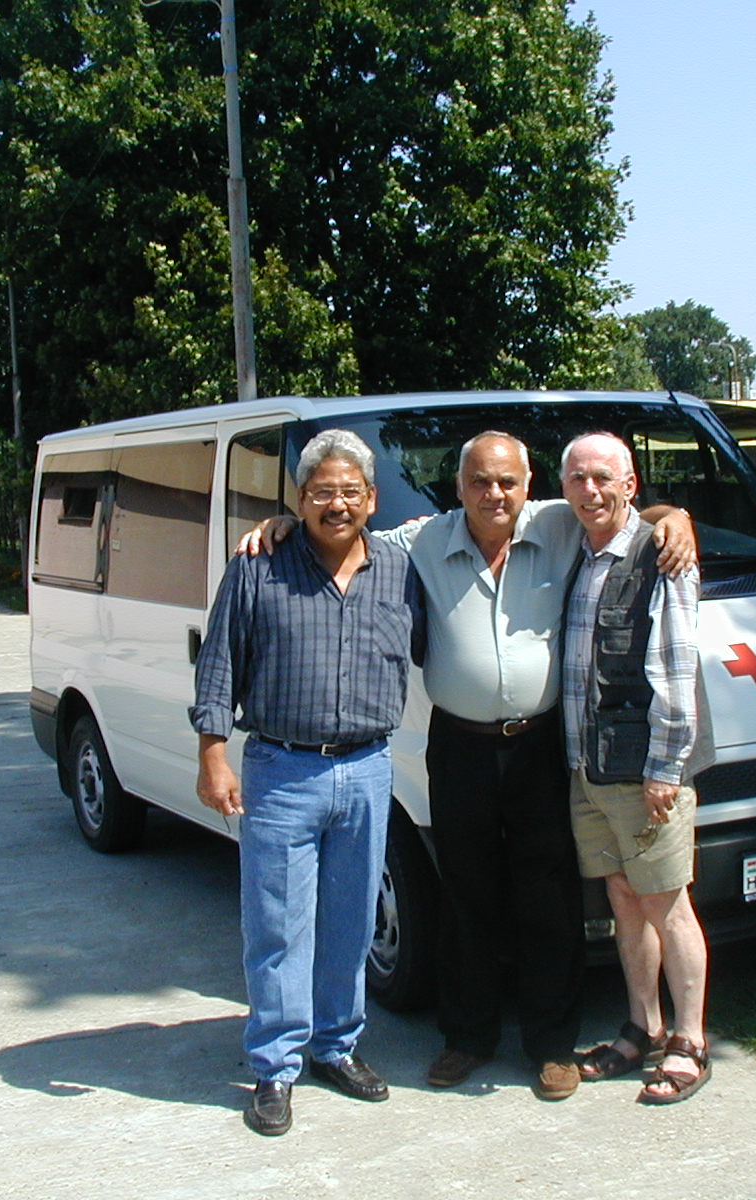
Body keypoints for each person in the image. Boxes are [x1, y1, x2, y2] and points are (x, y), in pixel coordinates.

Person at [239, 431, 695, 1102]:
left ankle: (549, 1045)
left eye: (507, 482)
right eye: (480, 481)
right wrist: (286, 521)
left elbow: (624, 512)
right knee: (465, 895)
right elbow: (340, 529)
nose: (494, 495)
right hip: (459, 747)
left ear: (529, 484)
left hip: (540, 747)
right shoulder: (422, 540)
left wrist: (673, 517)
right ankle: (467, 1038)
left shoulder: (561, 520)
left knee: (549, 899)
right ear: (459, 488)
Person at [189, 429, 425, 1137]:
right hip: (283, 769)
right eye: (321, 491)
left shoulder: (398, 568)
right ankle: (274, 1065)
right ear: (298, 499)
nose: (337, 503)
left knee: (349, 923)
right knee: (278, 926)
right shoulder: (260, 564)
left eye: (351, 491)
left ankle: (335, 1046)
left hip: (367, 768)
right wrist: (212, 755)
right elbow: (219, 665)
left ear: (372, 500)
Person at [559, 431, 714, 1106]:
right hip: (587, 770)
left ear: (630, 485)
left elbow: (677, 669)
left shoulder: (662, 556)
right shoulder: (573, 550)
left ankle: (690, 1042)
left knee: (666, 903)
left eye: (603, 478)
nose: (589, 490)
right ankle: (641, 1028)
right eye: (577, 479)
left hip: (644, 771)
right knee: (624, 901)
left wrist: (665, 766)